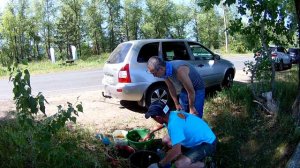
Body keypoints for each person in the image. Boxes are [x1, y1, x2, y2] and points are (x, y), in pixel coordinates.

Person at [144, 100, 217, 168]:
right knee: (166, 140)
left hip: (207, 143)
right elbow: (162, 124)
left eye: (153, 117)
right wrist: (150, 132)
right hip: (198, 136)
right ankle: (170, 155)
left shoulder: (174, 125)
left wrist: (159, 165)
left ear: (159, 118)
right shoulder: (171, 114)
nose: (153, 119)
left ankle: (206, 164)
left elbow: (176, 151)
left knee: (179, 164)